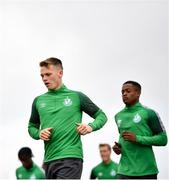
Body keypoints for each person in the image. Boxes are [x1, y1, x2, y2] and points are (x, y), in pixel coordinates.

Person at [28, 57, 107, 179]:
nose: (44, 79)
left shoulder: (76, 96)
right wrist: (39, 133)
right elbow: (31, 127)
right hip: (49, 160)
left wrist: (90, 127)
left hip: (71, 158)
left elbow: (101, 116)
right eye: (42, 76)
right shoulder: (38, 101)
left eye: (48, 74)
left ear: (60, 73)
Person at [113, 81, 168, 179]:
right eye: (122, 92)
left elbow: (163, 139)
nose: (124, 94)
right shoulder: (118, 116)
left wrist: (138, 139)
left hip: (146, 171)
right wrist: (119, 148)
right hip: (123, 171)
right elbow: (124, 139)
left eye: (128, 91)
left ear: (138, 93)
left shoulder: (149, 113)